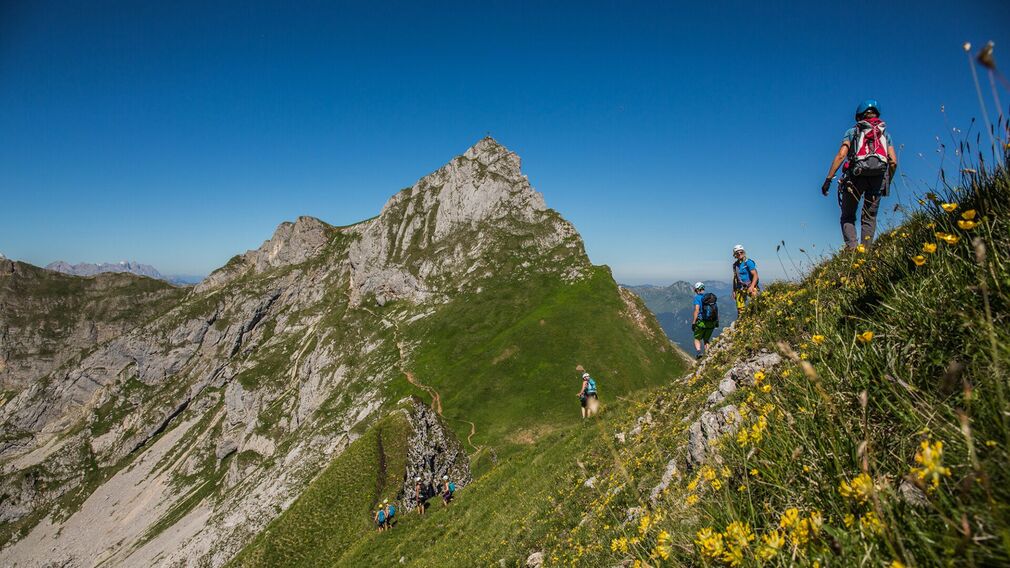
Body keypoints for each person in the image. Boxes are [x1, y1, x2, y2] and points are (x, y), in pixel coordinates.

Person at [821, 99, 898, 250]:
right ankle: (866, 254)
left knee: (847, 216)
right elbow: (893, 161)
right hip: (878, 178)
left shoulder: (852, 132)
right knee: (870, 217)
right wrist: (886, 181)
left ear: (859, 116)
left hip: (855, 177)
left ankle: (852, 250)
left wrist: (828, 179)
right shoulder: (885, 134)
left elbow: (841, 155)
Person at [691, 282, 719, 359]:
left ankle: (699, 352)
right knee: (706, 340)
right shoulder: (710, 298)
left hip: (702, 323)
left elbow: (696, 310)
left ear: (696, 290)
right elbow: (716, 310)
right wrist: (716, 322)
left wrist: (693, 323)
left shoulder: (697, 298)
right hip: (711, 323)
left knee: (697, 338)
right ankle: (708, 355)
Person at [732, 245, 759, 315]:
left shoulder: (748, 262)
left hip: (750, 285)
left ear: (744, 252)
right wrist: (734, 291)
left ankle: (756, 317)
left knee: (756, 302)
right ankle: (742, 320)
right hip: (739, 287)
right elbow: (735, 278)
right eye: (737, 253)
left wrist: (752, 286)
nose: (739, 254)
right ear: (735, 255)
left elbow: (755, 275)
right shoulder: (735, 265)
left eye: (741, 252)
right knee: (740, 308)